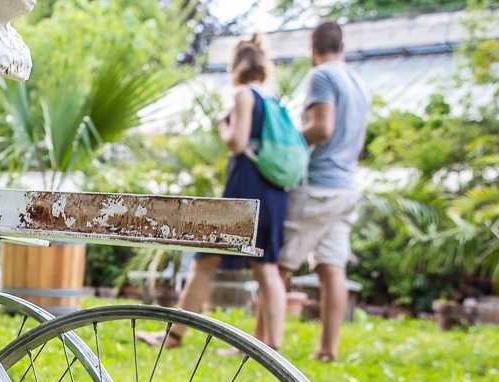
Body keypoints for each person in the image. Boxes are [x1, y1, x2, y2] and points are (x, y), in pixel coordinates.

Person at [137, 35, 288, 352]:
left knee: (204, 262)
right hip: (274, 191)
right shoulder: (274, 102)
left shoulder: (244, 96)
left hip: (246, 187)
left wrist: (223, 125)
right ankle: (273, 345)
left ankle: (174, 336)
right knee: (267, 266)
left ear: (236, 67)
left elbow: (237, 141)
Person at [279, 21, 369, 362]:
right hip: (347, 186)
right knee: (331, 267)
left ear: (312, 49)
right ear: (342, 46)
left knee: (277, 266)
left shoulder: (322, 77)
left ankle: (264, 341)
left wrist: (288, 139)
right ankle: (328, 349)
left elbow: (322, 127)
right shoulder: (359, 83)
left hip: (319, 185)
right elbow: (358, 143)